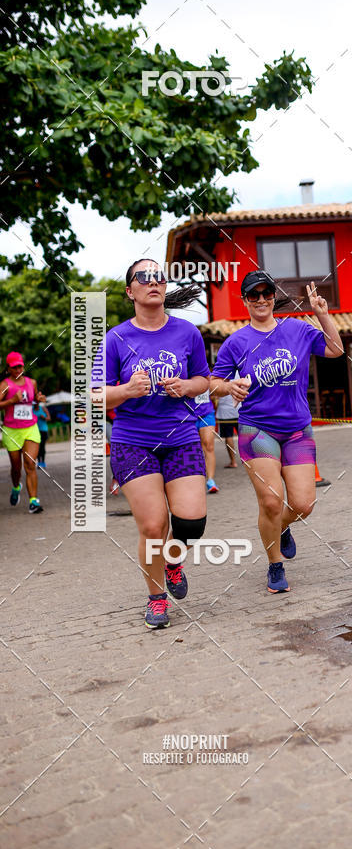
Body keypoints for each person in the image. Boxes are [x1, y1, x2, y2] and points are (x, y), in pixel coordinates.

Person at [210, 272, 344, 594]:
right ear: (244, 300)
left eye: (265, 293)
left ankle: (281, 528)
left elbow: (336, 350)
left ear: (273, 297)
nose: (260, 300)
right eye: (252, 295)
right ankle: (274, 564)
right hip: (256, 429)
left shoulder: (297, 330)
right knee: (271, 501)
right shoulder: (236, 342)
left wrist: (322, 315)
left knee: (303, 504)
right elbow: (212, 385)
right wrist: (229, 387)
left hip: (297, 430)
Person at [95, 259, 210, 630]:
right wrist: (126, 391)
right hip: (133, 442)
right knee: (153, 524)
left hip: (180, 437)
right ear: (130, 291)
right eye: (142, 278)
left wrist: (187, 386)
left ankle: (173, 560)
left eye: (158, 275)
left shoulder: (187, 333)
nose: (152, 281)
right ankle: (157, 597)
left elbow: (204, 381)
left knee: (191, 522)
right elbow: (96, 396)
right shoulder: (115, 338)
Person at [0, 352, 46, 513]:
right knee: (16, 467)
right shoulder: (4, 385)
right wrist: (12, 401)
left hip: (30, 428)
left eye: (20, 366)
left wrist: (38, 401)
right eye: (14, 367)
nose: (18, 369)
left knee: (30, 464)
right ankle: (15, 486)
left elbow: (33, 405)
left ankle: (33, 501)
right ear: (8, 369)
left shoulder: (31, 382)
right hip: (11, 430)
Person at [195, 388, 219, 493]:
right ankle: (195, 481)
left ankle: (210, 481)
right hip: (188, 415)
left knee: (209, 446)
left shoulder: (207, 375)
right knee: (193, 449)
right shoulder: (182, 373)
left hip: (207, 413)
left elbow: (215, 394)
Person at [216, 388, 239, 468]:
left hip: (224, 412)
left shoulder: (218, 377)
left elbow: (214, 396)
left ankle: (233, 462)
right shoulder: (239, 376)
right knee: (245, 437)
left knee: (229, 437)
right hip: (239, 409)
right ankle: (249, 459)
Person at [33, 399, 51, 469]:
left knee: (42, 446)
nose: (35, 404)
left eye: (36, 403)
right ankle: (39, 462)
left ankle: (43, 462)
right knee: (37, 447)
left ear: (38, 403)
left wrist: (44, 418)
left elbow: (49, 418)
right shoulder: (31, 409)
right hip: (35, 431)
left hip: (43, 430)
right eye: (34, 403)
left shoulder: (43, 408)